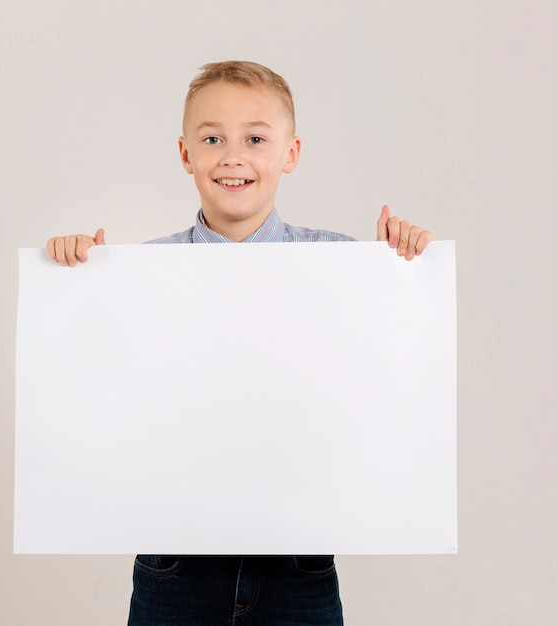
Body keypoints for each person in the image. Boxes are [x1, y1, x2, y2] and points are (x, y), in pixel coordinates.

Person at [46, 61, 433, 626]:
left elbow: (377, 382)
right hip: (173, 567)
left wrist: (398, 269)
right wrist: (76, 275)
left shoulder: (340, 263)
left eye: (255, 138)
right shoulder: (141, 272)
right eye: (212, 139)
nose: (233, 156)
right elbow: (106, 387)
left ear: (290, 154)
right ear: (185, 154)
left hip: (297, 568)